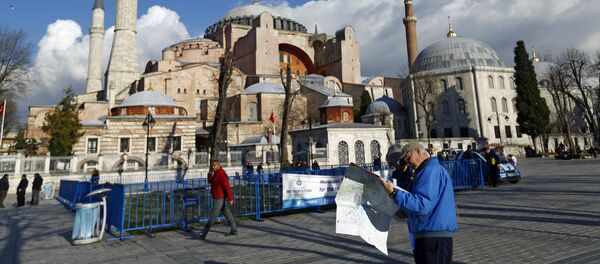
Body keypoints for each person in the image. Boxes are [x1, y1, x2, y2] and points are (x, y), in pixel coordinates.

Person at [379, 142, 457, 263]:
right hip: (430, 233)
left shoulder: (428, 171)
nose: (407, 162)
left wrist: (394, 193)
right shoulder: (429, 170)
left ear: (418, 151)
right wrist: (405, 212)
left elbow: (422, 205)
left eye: (408, 158)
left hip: (432, 235)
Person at [200, 160, 238, 240]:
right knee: (227, 213)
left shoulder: (221, 173)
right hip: (218, 196)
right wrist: (209, 174)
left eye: (214, 166)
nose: (213, 167)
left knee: (213, 215)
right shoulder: (216, 173)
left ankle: (203, 233)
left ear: (218, 165)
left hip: (219, 197)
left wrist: (230, 198)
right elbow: (212, 181)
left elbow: (227, 186)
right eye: (212, 166)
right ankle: (234, 230)